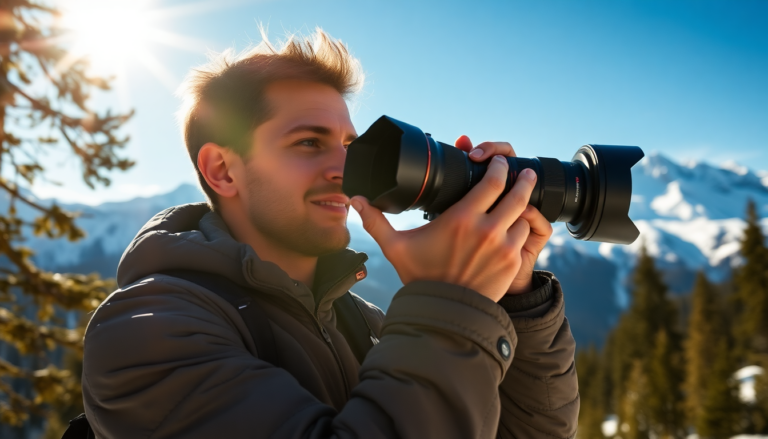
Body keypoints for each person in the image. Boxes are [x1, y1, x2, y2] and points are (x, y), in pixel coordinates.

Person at [81, 29, 578, 438]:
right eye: (308, 142)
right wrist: (449, 304)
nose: (347, 169)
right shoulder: (147, 331)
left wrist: (515, 296)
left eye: (348, 144)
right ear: (223, 170)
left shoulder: (362, 322)